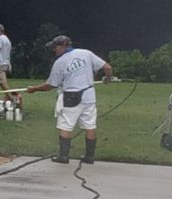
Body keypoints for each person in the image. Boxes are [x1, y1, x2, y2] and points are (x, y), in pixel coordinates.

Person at [16, 34, 115, 165]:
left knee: (65, 125)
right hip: (89, 95)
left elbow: (50, 85)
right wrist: (107, 79)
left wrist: (34, 89)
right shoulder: (86, 53)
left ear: (63, 46)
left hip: (70, 97)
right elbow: (107, 67)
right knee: (90, 125)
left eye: (55, 47)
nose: (54, 50)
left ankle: (63, 156)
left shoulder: (60, 62)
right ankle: (89, 157)